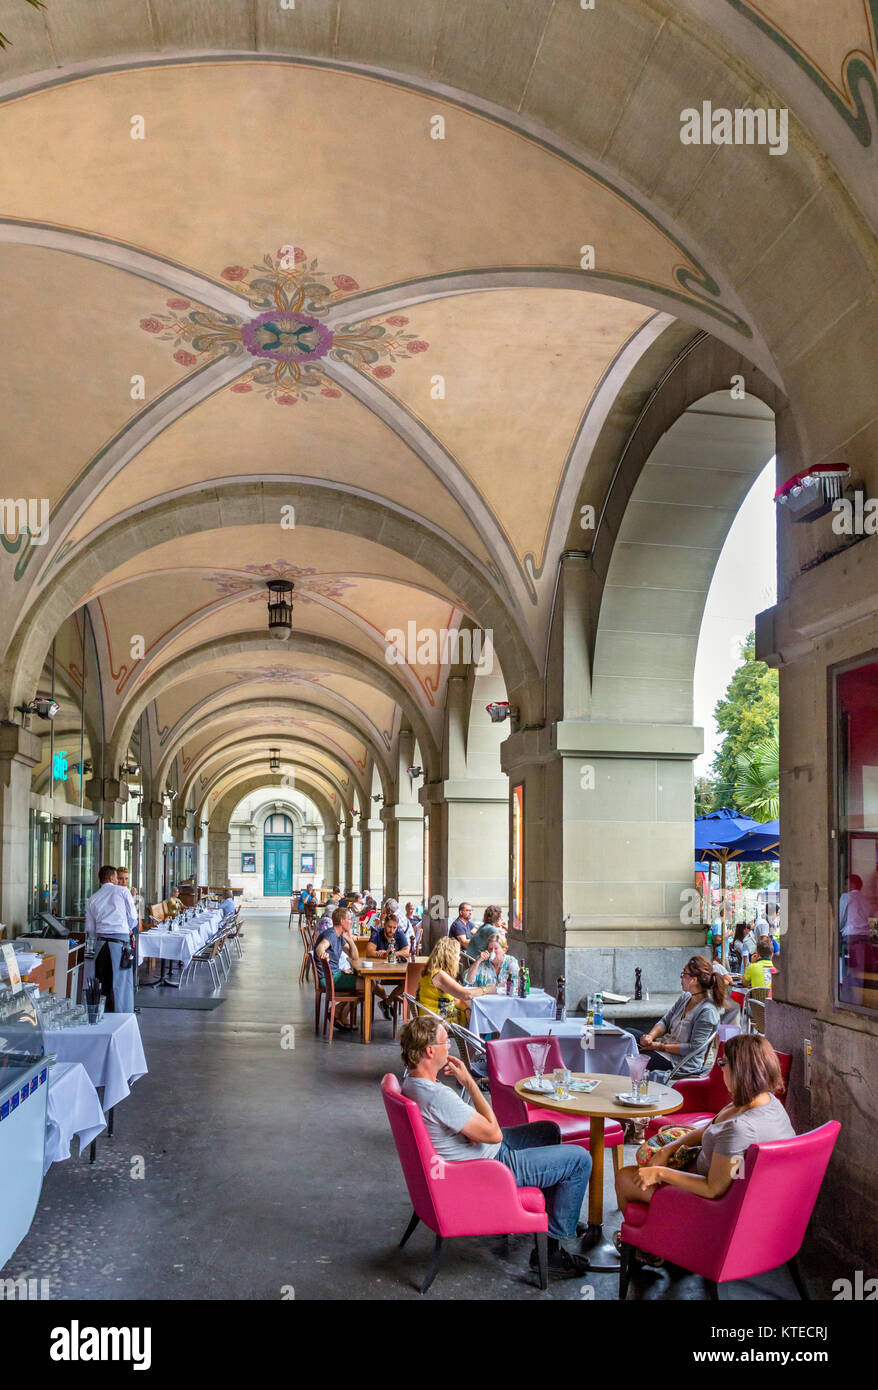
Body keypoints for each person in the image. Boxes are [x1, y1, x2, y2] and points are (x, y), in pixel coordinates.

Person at [400, 1015, 592, 1276]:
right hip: (491, 1167)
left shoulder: (411, 1083)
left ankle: (555, 1216)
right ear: (430, 1050)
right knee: (580, 1159)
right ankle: (551, 1253)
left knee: (548, 1131)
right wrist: (470, 1082)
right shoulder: (437, 1096)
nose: (450, 1048)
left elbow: (459, 1130)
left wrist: (468, 1133)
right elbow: (494, 1133)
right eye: (446, 1043)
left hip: (475, 1154)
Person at [614, 1034, 795, 1221]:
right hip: (730, 1187)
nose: (721, 1068)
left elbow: (713, 1189)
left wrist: (660, 1173)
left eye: (723, 1063)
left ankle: (638, 1240)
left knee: (625, 1178)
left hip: (711, 1206)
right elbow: (709, 1129)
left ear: (738, 1071)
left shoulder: (740, 1129)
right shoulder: (765, 1102)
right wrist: (667, 1150)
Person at [623, 956, 722, 1080]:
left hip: (681, 1062)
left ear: (694, 980)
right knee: (627, 1035)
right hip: (665, 1049)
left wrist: (659, 1046)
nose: (681, 977)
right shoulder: (685, 997)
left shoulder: (707, 1011)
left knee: (633, 1058)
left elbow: (693, 1048)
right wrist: (650, 1037)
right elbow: (665, 1021)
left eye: (684, 974)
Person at [85, 864, 138, 1013]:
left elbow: (90, 929)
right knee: (122, 985)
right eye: (116, 877)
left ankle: (102, 1016)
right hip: (120, 944)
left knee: (102, 984)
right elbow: (133, 917)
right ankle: (123, 1018)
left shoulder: (92, 898)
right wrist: (125, 927)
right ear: (111, 878)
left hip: (101, 945)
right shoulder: (122, 891)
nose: (118, 881)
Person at [417, 936, 493, 1025]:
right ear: (450, 956)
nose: (459, 958)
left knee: (476, 1014)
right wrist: (486, 989)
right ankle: (485, 1038)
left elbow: (455, 998)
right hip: (436, 1020)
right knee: (482, 1018)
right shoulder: (439, 975)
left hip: (433, 1014)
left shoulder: (433, 970)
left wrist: (467, 1009)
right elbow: (467, 995)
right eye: (457, 955)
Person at [314, 906, 363, 1030]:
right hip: (329, 978)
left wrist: (350, 939)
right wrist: (322, 953)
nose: (351, 921)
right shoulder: (331, 934)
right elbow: (321, 946)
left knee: (367, 984)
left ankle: (338, 1011)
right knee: (368, 986)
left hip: (335, 975)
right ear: (342, 921)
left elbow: (355, 957)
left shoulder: (339, 936)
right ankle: (340, 1012)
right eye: (349, 919)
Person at [366, 909, 411, 1020]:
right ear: (384, 925)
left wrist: (392, 953)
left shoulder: (399, 933)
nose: (391, 930)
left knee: (407, 982)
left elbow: (407, 951)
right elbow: (369, 951)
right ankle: (387, 1000)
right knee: (372, 983)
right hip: (378, 970)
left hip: (396, 971)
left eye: (394, 928)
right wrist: (379, 954)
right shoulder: (377, 933)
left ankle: (387, 1002)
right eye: (389, 927)